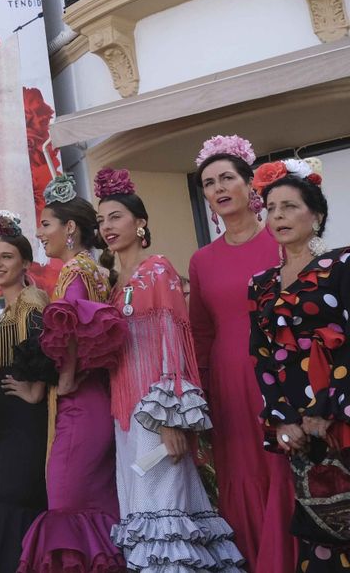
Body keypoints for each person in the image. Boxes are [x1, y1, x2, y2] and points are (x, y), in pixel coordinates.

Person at [94, 168, 243, 572]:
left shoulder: (158, 270)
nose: (107, 226)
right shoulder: (110, 284)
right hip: (124, 418)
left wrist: (172, 420)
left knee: (168, 514)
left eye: (116, 217)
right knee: (144, 515)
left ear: (140, 222)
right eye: (101, 219)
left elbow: (173, 348)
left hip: (155, 416)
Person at [188, 135, 294, 573]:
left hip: (286, 375)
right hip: (230, 383)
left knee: (286, 470)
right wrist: (201, 396)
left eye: (227, 177)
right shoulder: (202, 260)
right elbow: (200, 333)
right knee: (242, 476)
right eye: (209, 183)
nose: (218, 188)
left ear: (251, 184)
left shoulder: (283, 240)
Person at [15, 177, 127, 573]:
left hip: (80, 402)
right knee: (97, 504)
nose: (40, 233)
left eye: (46, 224)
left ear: (70, 229)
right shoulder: (96, 268)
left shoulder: (74, 272)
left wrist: (64, 378)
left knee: (66, 504)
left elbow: (74, 323)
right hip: (99, 399)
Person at [247, 160, 350, 571]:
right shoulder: (261, 283)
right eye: (271, 208)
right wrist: (283, 418)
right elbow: (262, 355)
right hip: (296, 426)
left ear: (317, 214)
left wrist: (327, 410)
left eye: (289, 206)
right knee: (320, 529)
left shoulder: (341, 265)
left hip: (340, 416)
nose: (278, 217)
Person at [0, 213, 54, 573]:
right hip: (7, 423)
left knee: (16, 499)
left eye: (6, 257)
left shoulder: (32, 301)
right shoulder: (5, 311)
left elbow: (48, 348)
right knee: (10, 497)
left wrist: (35, 390)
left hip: (27, 422)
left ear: (24, 263)